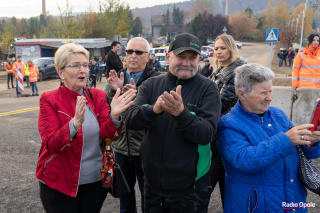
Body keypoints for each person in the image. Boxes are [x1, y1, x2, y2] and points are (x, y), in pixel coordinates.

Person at [125, 33, 221, 212]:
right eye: (181, 57)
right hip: (152, 187)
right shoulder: (150, 85)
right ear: (168, 57)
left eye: (192, 58)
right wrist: (154, 109)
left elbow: (207, 133)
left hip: (190, 191)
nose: (186, 62)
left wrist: (181, 113)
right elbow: (130, 119)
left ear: (199, 59)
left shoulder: (208, 89)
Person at [36, 43, 137, 213]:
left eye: (85, 65)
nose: (82, 70)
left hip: (95, 183)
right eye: (75, 65)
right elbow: (51, 143)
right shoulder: (49, 99)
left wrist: (114, 117)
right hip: (59, 182)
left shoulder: (98, 96)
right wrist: (74, 124)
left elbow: (108, 136)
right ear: (61, 72)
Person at [217, 63, 320, 212]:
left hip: (293, 202)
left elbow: (306, 154)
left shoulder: (277, 114)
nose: (270, 98)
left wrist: (311, 142)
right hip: (256, 206)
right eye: (263, 93)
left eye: (271, 91)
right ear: (242, 94)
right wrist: (286, 140)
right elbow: (244, 160)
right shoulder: (229, 124)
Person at [104, 37, 160, 213]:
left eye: (138, 52)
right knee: (124, 195)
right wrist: (114, 91)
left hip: (146, 150)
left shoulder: (156, 80)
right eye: (129, 52)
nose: (133, 56)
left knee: (148, 196)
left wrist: (135, 98)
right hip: (121, 148)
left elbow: (156, 113)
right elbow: (106, 109)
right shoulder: (115, 78)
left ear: (148, 57)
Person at [209, 34, 247, 207]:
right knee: (223, 181)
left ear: (231, 48)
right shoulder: (220, 70)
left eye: (223, 48)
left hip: (228, 133)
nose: (218, 52)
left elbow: (221, 103)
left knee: (215, 181)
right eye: (216, 48)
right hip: (219, 130)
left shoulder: (238, 72)